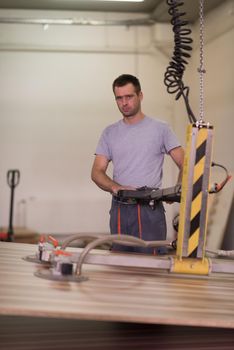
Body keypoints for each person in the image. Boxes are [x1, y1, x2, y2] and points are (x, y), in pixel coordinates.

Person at [91, 74, 184, 254]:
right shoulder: (109, 133)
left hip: (149, 209)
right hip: (120, 208)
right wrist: (115, 187)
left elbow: (185, 163)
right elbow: (97, 172)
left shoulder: (161, 129)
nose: (124, 103)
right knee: (119, 265)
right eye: (119, 98)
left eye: (129, 96)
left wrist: (179, 191)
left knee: (152, 267)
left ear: (140, 96)